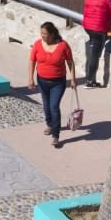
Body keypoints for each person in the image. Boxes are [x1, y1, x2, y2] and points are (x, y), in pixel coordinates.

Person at [27, 21, 77, 149]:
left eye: (45, 34)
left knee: (54, 106)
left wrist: (72, 78)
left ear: (52, 34)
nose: (42, 36)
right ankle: (49, 124)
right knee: (46, 105)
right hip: (42, 80)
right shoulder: (38, 44)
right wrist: (30, 79)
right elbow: (32, 61)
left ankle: (56, 134)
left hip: (58, 82)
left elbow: (70, 62)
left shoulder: (63, 46)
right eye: (41, 33)